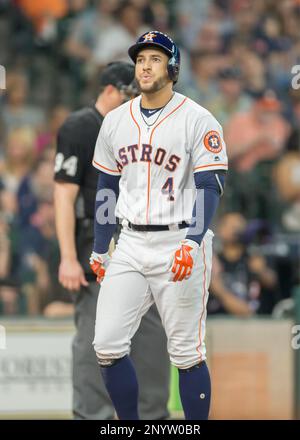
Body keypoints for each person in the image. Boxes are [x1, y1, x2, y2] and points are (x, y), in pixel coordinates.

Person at [90, 31, 228, 420]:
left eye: (154, 58)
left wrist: (192, 241)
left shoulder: (198, 119)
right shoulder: (116, 120)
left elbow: (210, 186)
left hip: (179, 240)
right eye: (140, 59)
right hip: (131, 241)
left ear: (173, 67)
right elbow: (106, 189)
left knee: (186, 353)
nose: (145, 65)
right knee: (107, 345)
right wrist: (102, 247)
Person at [54, 61, 170, 420]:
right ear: (110, 91)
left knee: (150, 335)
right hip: (98, 240)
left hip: (142, 237)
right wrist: (68, 257)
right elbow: (63, 195)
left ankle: (152, 418)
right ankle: (94, 417)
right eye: (131, 95)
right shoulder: (82, 126)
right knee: (96, 335)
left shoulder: (140, 127)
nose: (138, 101)